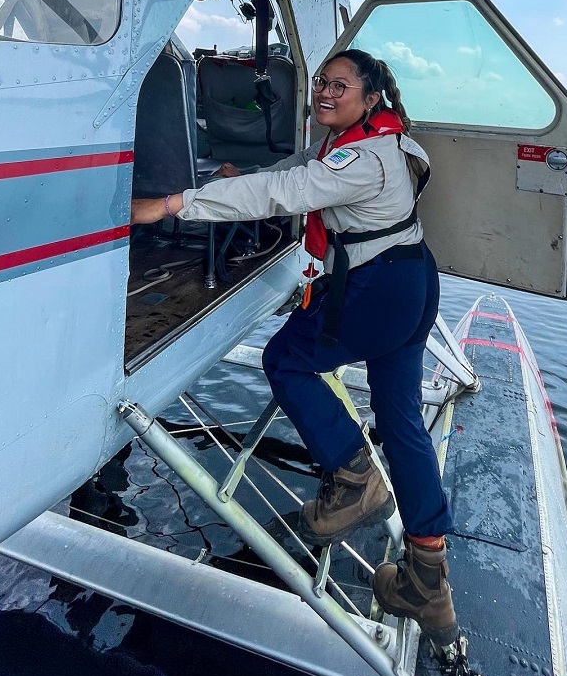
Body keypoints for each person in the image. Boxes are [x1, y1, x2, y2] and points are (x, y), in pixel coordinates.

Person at [131, 49, 458, 646]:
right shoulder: (389, 143)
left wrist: (174, 204)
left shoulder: (363, 157)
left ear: (371, 96)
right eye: (320, 83)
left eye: (340, 85)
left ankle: (355, 477)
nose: (325, 93)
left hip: (379, 287)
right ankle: (426, 576)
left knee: (286, 360)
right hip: (413, 282)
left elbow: (290, 192)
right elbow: (299, 168)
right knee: (404, 422)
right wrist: (235, 178)